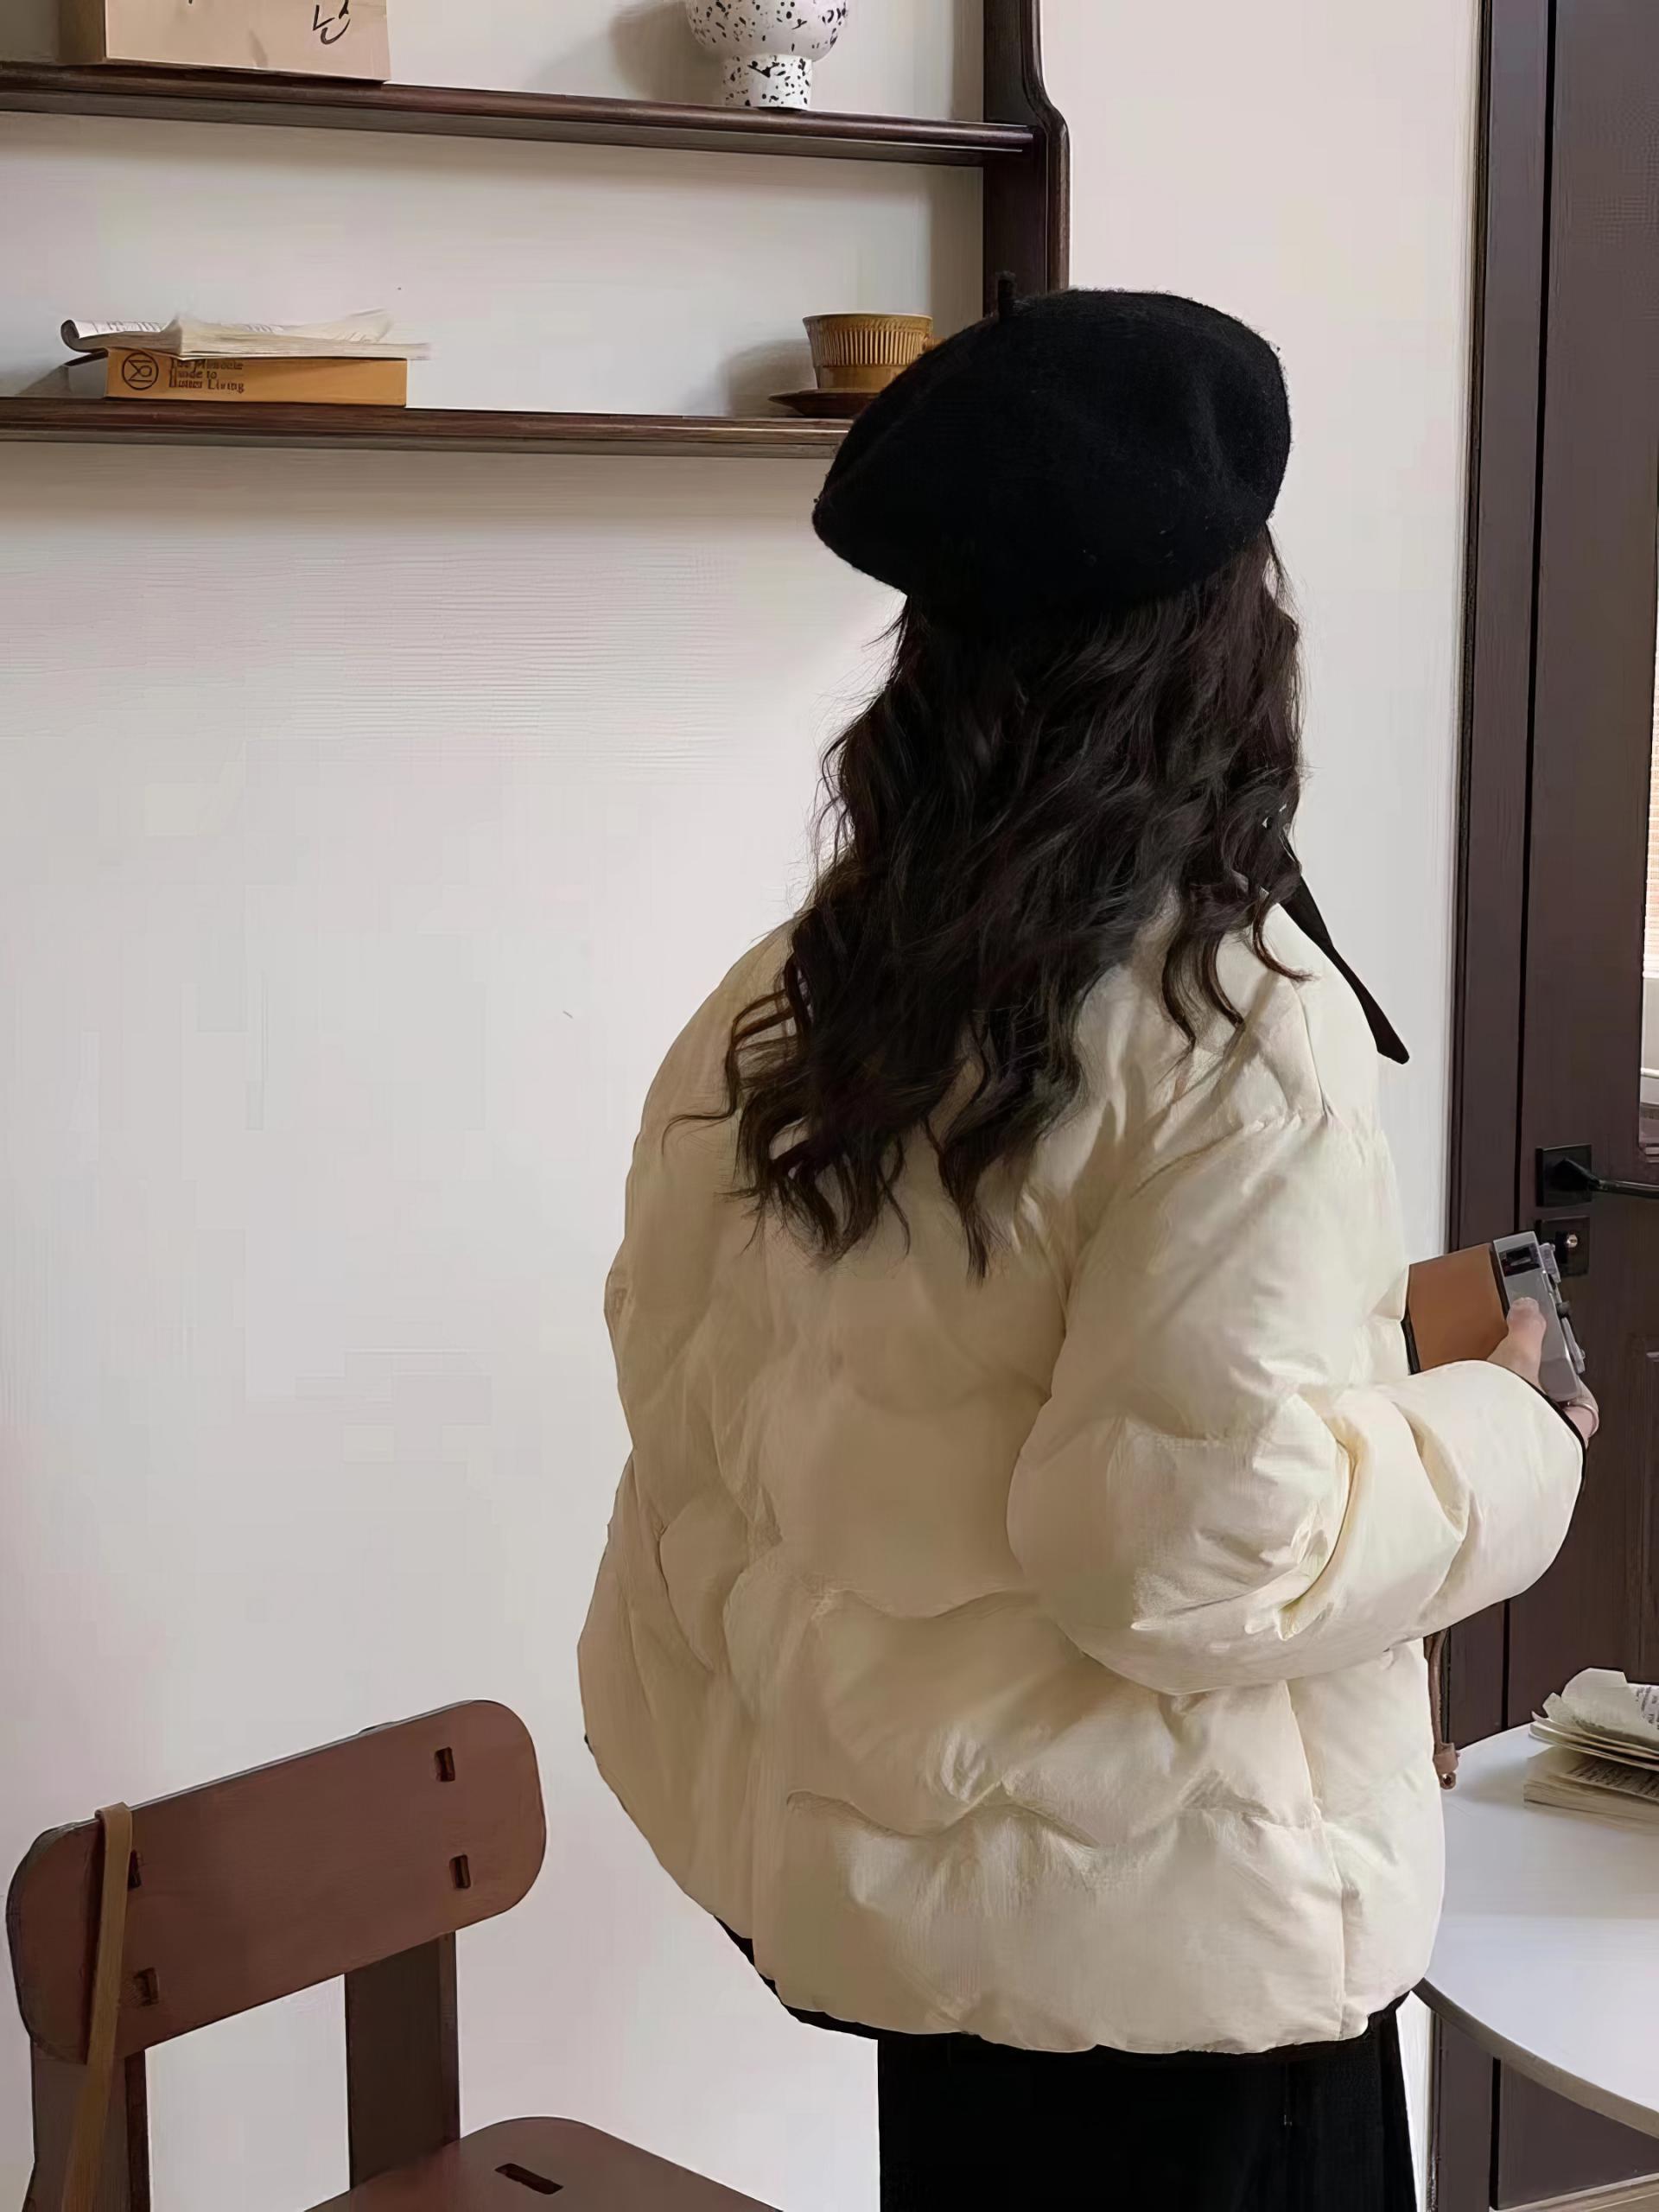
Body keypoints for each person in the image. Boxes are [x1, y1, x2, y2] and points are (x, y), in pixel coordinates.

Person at [579, 288, 1592, 2210]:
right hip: (1182, 1952)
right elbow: (1192, 1553)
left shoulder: (798, 1000)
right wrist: (1504, 1429)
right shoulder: (1233, 1027)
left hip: (927, 1926)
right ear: (1225, 644)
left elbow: (706, 1389)